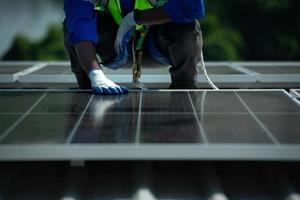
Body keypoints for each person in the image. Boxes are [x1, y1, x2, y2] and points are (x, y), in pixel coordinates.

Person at [63, 0, 205, 95]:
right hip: (116, 46)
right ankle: (88, 88)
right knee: (70, 26)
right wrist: (95, 74)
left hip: (159, 46)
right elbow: (79, 20)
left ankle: (183, 88)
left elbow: (192, 7)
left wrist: (136, 18)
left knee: (186, 26)